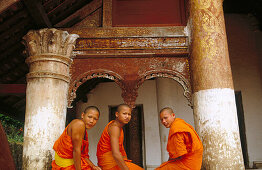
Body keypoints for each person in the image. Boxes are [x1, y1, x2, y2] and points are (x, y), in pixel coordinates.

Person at [96, 104, 144, 170]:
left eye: (129, 114)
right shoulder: (114, 128)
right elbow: (115, 153)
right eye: (124, 114)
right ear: (117, 114)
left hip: (112, 161)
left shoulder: (118, 127)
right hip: (110, 162)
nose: (127, 116)